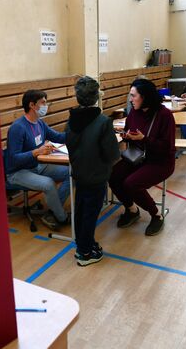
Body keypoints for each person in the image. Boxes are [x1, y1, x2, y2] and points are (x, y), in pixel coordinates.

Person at [109, 79, 175, 236]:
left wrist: (143, 139)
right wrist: (126, 136)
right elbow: (129, 132)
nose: (130, 99)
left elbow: (167, 147)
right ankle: (132, 210)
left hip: (160, 161)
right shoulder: (134, 112)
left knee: (131, 184)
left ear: (145, 97)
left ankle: (156, 215)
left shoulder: (164, 115)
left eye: (133, 96)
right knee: (112, 176)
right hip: (137, 157)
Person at [65, 76, 120, 266]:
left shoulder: (71, 119)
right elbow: (112, 153)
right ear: (96, 96)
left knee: (81, 211)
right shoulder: (103, 122)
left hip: (79, 174)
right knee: (90, 214)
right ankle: (85, 253)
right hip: (96, 175)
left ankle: (83, 243)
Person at [6, 89, 70, 229]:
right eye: (43, 103)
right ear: (32, 105)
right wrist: (36, 152)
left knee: (71, 173)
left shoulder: (40, 123)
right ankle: (61, 217)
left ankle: (53, 211)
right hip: (17, 172)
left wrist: (78, 131)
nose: (46, 106)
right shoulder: (18, 128)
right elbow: (13, 159)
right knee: (48, 184)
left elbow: (59, 137)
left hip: (37, 166)